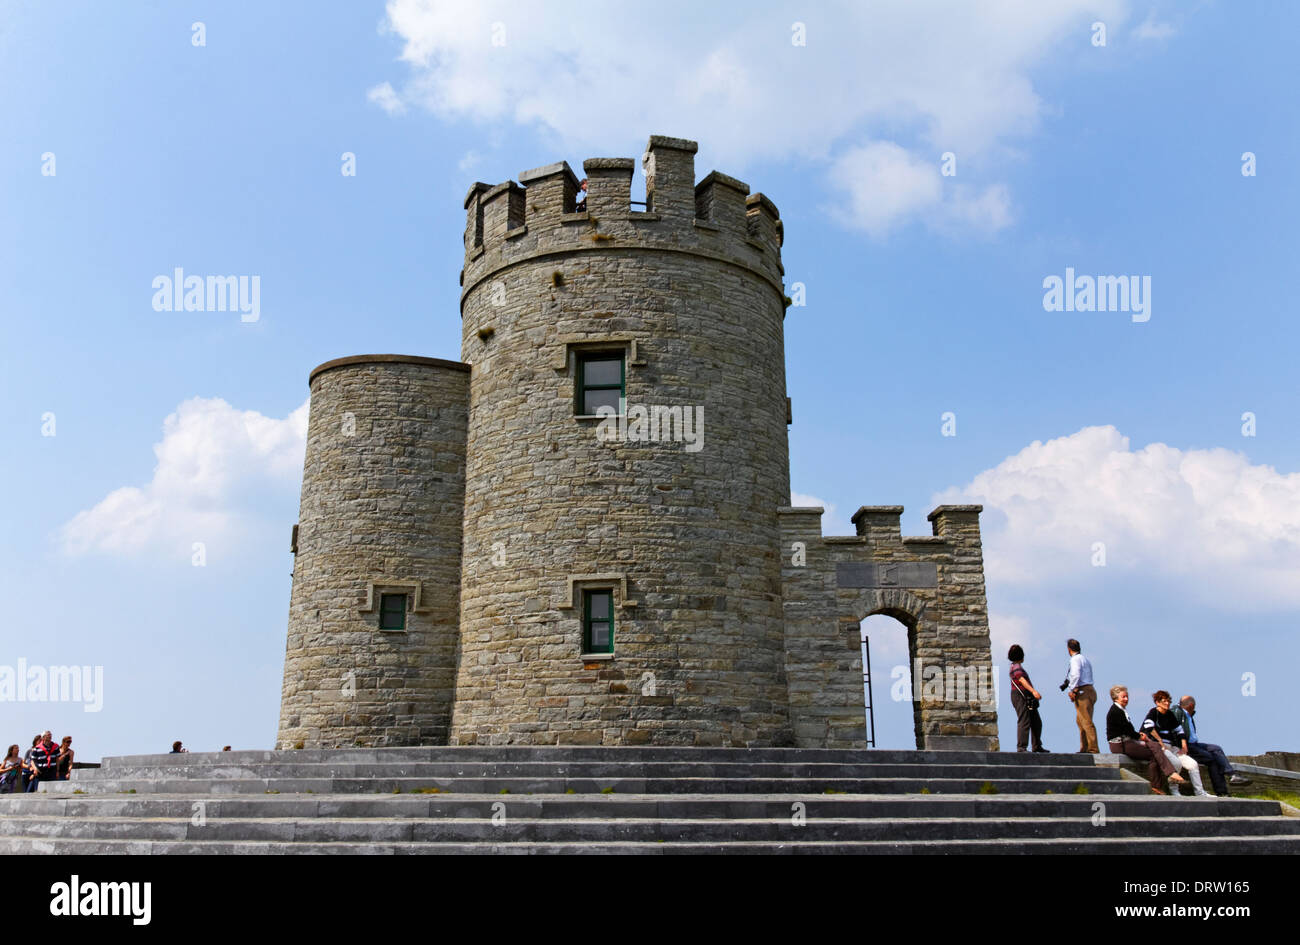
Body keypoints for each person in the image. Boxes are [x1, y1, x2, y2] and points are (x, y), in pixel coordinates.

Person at [1106, 685, 1183, 794]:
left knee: (1155, 746)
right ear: (1116, 698)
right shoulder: (1116, 711)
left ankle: (1170, 774)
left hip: (1128, 741)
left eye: (1127, 696)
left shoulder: (1121, 710)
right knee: (1153, 754)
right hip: (1120, 744)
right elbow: (1128, 731)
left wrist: (1141, 736)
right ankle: (1161, 781)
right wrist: (1141, 737)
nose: (1126, 699)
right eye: (1123, 697)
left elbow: (1129, 730)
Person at [1176, 696, 1250, 796]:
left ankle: (1232, 776)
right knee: (1212, 759)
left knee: (1216, 749)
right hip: (1186, 746)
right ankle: (1223, 789)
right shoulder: (1177, 712)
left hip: (1194, 744)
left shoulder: (1188, 715)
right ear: (1191, 705)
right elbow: (1177, 730)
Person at [1141, 691, 1210, 796]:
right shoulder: (1153, 712)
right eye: (1164, 701)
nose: (1167, 703)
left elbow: (1180, 731)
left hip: (1172, 747)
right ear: (1157, 702)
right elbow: (1148, 727)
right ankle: (1174, 790)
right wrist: (1160, 741)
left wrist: (1184, 746)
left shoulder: (1169, 714)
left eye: (1168, 701)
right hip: (1161, 748)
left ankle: (1200, 792)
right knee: (1177, 763)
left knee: (1193, 765)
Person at [1007, 645, 1048, 752]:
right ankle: (1022, 747)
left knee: (1036, 721)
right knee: (1024, 720)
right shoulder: (1016, 667)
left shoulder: (1015, 666)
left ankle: (1037, 745)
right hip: (1019, 696)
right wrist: (1034, 691)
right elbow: (1021, 679)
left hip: (1025, 696)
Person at [1064, 639, 1099, 752]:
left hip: (1082, 691)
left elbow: (1075, 674)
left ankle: (1093, 748)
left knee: (1086, 721)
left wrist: (1072, 690)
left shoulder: (1075, 659)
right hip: (1089, 690)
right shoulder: (1085, 659)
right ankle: (1084, 747)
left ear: (1069, 649)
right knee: (1080, 721)